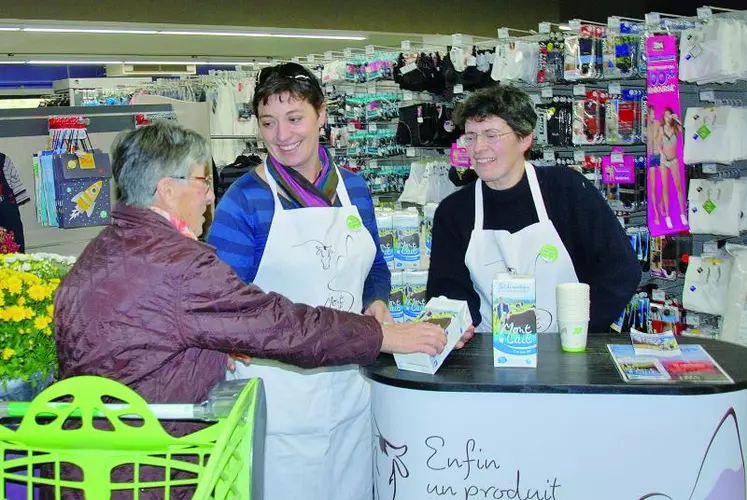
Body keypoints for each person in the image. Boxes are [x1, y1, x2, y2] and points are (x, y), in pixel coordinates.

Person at [55, 121, 457, 428]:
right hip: (152, 465)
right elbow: (281, 325)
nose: (211, 195)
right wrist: (383, 335)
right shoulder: (181, 264)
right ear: (167, 190)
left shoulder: (102, 249)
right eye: (202, 181)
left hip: (99, 451)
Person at [208, 62, 474, 500]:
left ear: (321, 115)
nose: (282, 134)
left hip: (351, 386)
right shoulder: (245, 200)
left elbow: (374, 265)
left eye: (294, 119)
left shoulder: (354, 189)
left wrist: (376, 301)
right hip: (279, 397)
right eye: (268, 122)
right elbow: (222, 300)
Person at [427, 85, 640, 334]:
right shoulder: (454, 212)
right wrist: (460, 329)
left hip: (569, 352)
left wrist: (580, 327)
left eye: (491, 135)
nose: (478, 148)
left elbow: (620, 270)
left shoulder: (566, 190)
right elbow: (448, 290)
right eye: (471, 136)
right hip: (489, 355)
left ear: (524, 138)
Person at [659, 107, 686, 228]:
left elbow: (684, 131)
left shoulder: (675, 128)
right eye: (666, 116)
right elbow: (658, 145)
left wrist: (677, 119)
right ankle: (667, 216)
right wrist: (662, 155)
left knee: (678, 187)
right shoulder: (661, 129)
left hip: (674, 160)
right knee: (665, 188)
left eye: (669, 115)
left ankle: (682, 213)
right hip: (663, 161)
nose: (667, 118)